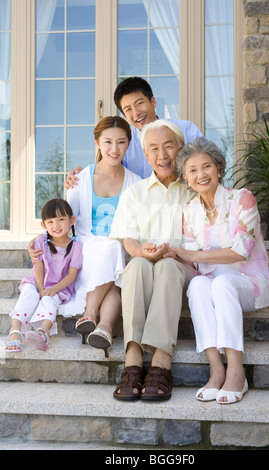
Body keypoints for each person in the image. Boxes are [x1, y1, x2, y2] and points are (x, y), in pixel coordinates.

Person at [174, 139, 269, 404]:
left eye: (206, 166)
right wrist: (170, 253)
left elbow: (241, 251)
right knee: (197, 285)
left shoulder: (241, 199)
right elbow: (192, 261)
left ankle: (236, 371)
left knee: (221, 284)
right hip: (214, 283)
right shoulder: (189, 211)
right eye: (193, 170)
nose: (201, 174)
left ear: (218, 168)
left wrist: (192, 255)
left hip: (253, 283)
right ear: (186, 178)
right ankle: (216, 368)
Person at [109, 120, 197, 401]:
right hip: (145, 265)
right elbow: (128, 240)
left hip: (182, 266)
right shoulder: (134, 193)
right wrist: (140, 251)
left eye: (168, 146)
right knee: (135, 265)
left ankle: (161, 360)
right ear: (146, 155)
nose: (162, 155)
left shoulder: (194, 188)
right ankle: (133, 357)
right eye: (154, 149)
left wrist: (176, 252)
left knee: (169, 265)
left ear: (180, 148)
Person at [66, 116, 140, 356]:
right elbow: (67, 223)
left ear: (128, 144)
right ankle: (95, 317)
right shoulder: (79, 179)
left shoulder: (135, 183)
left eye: (121, 142)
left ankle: (101, 325)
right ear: (97, 142)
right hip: (87, 249)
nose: (114, 149)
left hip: (120, 249)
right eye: (108, 142)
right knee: (113, 255)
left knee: (117, 256)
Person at [65, 76, 205, 185]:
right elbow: (109, 172)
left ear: (153, 102)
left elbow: (205, 164)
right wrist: (83, 176)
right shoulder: (124, 141)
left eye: (140, 104)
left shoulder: (186, 129)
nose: (136, 113)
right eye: (128, 109)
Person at [6, 199, 82, 353]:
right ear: (44, 225)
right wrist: (40, 289)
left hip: (59, 287)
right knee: (28, 293)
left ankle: (43, 332)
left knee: (49, 300)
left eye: (61, 219)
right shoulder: (41, 241)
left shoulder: (76, 246)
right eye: (50, 221)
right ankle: (15, 330)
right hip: (37, 282)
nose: (56, 225)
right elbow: (38, 267)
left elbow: (72, 275)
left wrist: (51, 290)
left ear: (72, 220)